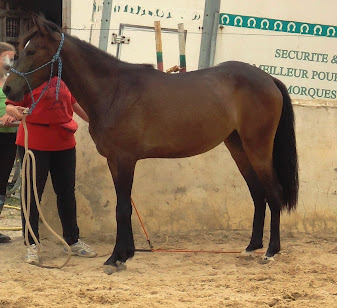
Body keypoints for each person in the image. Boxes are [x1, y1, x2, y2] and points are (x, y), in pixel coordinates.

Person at [6, 76, 97, 264]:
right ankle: (32, 243)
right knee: (31, 195)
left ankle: (72, 240)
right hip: (34, 141)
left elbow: (74, 103)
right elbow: (10, 106)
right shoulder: (27, 76)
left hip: (63, 140)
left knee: (66, 192)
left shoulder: (64, 76)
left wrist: (96, 123)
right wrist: (16, 112)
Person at [0, 42, 17, 244]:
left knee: (2, 180)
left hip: (11, 136)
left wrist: (12, 116)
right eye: (8, 57)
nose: (12, 61)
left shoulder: (14, 81)